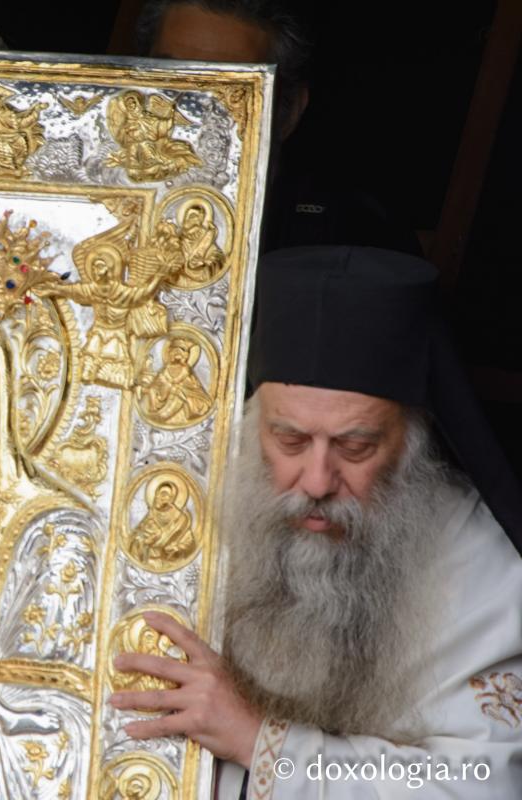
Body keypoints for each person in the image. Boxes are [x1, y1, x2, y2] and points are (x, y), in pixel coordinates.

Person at [109, 246, 522, 797]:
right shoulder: (174, 502)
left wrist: (262, 743)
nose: (317, 481)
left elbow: (482, 783)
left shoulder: (488, 575)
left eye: (355, 446)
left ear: (410, 443)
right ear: (253, 424)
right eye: (290, 441)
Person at [134, 0, 422, 256]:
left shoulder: (352, 243)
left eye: (230, 91)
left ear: (289, 112)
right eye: (169, 78)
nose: (188, 108)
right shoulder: (95, 203)